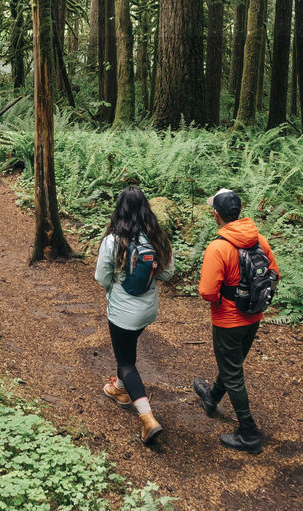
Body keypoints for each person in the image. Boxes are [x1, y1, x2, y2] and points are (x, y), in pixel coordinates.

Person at [193, 187, 279, 454]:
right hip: (253, 316)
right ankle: (211, 397)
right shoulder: (260, 240)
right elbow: (273, 273)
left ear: (216, 215)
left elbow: (207, 292)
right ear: (239, 211)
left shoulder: (218, 247)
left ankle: (248, 432)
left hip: (228, 321)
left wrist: (223, 295)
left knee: (233, 373)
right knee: (232, 364)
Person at [94, 186, 174, 445]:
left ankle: (147, 417)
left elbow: (100, 277)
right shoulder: (157, 237)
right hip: (147, 310)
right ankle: (119, 389)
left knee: (126, 361)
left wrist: (115, 282)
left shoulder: (113, 240)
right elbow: (166, 274)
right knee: (126, 348)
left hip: (122, 312)